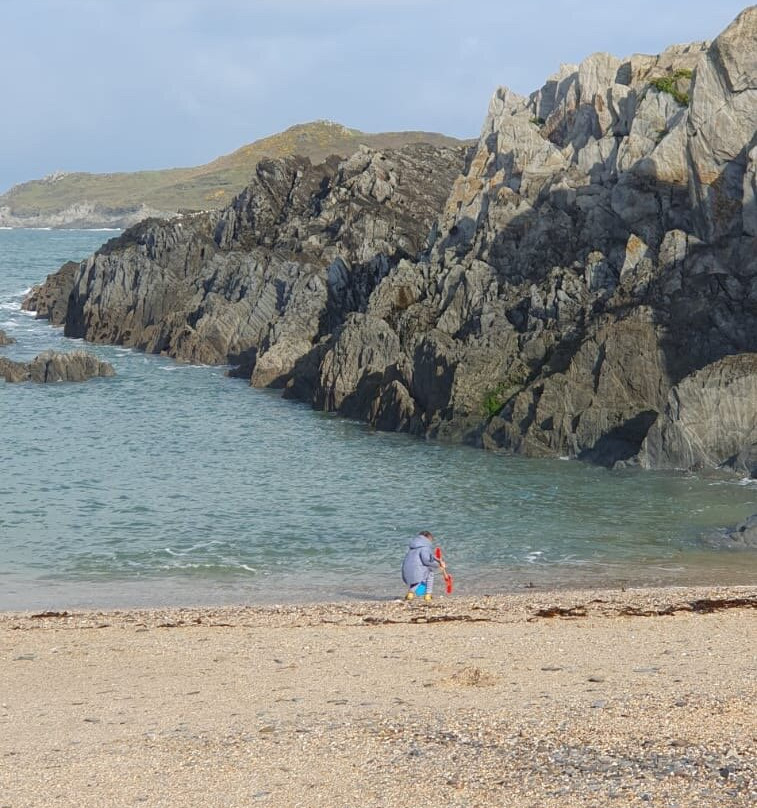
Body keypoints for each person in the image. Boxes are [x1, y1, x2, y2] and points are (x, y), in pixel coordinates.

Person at [401, 530, 445, 601]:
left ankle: (419, 593)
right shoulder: (425, 547)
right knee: (430, 573)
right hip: (418, 570)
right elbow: (426, 561)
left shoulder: (414, 546)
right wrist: (438, 565)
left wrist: (438, 560)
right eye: (431, 540)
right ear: (427, 539)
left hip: (407, 569)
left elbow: (429, 555)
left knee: (420, 578)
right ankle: (427, 594)